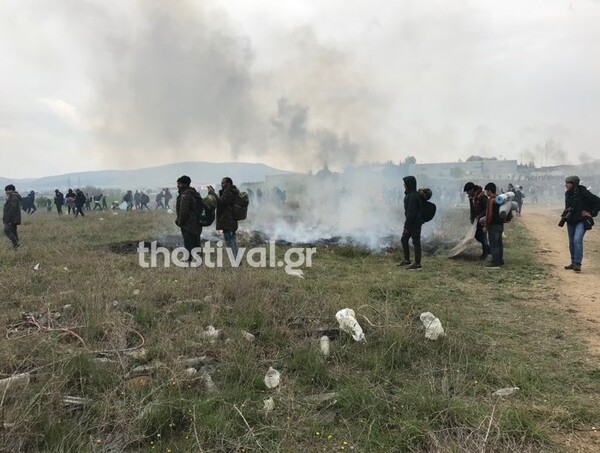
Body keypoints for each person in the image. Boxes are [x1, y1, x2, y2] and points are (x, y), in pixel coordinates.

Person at [562, 175, 600, 272]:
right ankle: (573, 262)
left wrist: (591, 213)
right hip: (570, 221)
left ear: (574, 183)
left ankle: (578, 264)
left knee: (577, 240)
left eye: (568, 183)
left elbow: (598, 201)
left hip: (581, 220)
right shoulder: (567, 193)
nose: (565, 185)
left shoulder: (584, 192)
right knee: (571, 243)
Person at [208, 177, 240, 260]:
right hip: (229, 221)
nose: (221, 185)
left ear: (228, 184)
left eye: (223, 183)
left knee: (230, 242)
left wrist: (212, 193)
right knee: (231, 241)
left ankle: (235, 260)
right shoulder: (229, 192)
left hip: (228, 221)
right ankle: (236, 259)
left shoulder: (229, 192)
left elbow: (220, 202)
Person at [175, 175, 203, 262]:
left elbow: (183, 211)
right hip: (196, 223)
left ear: (185, 184)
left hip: (188, 225)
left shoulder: (185, 195)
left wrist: (180, 222)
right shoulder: (193, 193)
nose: (178, 185)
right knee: (196, 244)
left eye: (179, 184)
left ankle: (188, 262)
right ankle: (199, 262)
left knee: (188, 245)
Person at [399, 175, 423, 270]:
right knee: (404, 239)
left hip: (414, 223)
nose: (404, 185)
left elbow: (411, 213)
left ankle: (417, 263)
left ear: (409, 184)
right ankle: (407, 260)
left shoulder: (413, 196)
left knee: (416, 242)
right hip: (412, 222)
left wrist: (406, 227)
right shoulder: (410, 194)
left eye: (405, 183)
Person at [463, 182, 491, 259]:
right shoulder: (472, 198)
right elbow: (472, 209)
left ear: (472, 189)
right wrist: (472, 218)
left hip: (482, 220)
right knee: (478, 235)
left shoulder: (482, 196)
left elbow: (487, 208)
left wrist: (480, 216)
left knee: (481, 236)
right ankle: (487, 249)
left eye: (468, 191)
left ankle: (486, 251)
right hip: (476, 220)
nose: (467, 193)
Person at [483, 182, 504, 268]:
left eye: (486, 191)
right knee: (499, 243)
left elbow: (489, 214)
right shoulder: (500, 199)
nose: (486, 193)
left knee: (494, 244)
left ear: (490, 191)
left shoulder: (491, 200)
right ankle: (500, 260)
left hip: (493, 226)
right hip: (500, 225)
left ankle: (496, 262)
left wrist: (486, 226)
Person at [3, 184, 22, 249]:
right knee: (14, 232)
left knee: (7, 230)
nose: (6, 192)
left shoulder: (13, 197)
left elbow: (12, 208)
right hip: (14, 218)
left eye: (7, 190)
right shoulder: (13, 197)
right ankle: (16, 247)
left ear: (11, 190)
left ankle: (16, 243)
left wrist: (8, 218)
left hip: (11, 219)